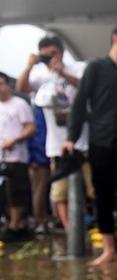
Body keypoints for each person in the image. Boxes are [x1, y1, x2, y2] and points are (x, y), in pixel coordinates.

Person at [63, 22, 117, 266]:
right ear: (116, 38)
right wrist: (71, 137)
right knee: (103, 196)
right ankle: (109, 248)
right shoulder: (95, 68)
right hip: (100, 141)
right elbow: (80, 105)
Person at [16, 35, 94, 232]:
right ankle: (70, 230)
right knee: (60, 191)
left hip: (83, 140)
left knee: (94, 187)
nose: (50, 58)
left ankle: (96, 226)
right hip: (56, 144)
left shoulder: (77, 67)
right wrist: (30, 66)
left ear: (61, 52)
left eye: (53, 53)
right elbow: (21, 88)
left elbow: (90, 88)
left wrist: (63, 73)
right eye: (45, 55)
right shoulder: (41, 75)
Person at [0, 72, 36, 242]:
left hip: (16, 155)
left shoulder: (19, 104)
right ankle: (9, 222)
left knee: (16, 191)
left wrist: (15, 139)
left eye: (1, 84)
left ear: (8, 85)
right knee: (4, 194)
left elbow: (30, 128)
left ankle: (16, 224)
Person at [27, 106, 51, 233]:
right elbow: (37, 136)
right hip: (40, 157)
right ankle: (41, 221)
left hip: (51, 153)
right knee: (39, 191)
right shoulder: (38, 111)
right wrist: (35, 158)